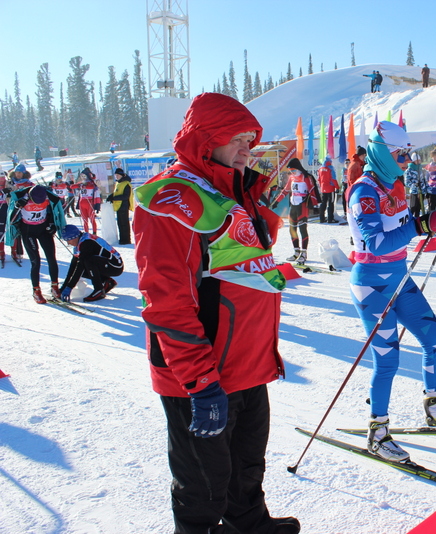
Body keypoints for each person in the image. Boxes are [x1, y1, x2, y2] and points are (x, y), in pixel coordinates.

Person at [133, 92, 300, 534]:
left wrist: (269, 217)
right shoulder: (173, 198)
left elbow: (244, 264)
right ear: (207, 140)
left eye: (250, 138)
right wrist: (200, 382)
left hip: (248, 362)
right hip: (203, 373)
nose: (247, 148)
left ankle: (250, 524)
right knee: (202, 487)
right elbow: (166, 300)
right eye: (237, 138)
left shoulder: (236, 190)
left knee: (247, 466)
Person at [347, 121, 436, 463]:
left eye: (409, 154)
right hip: (372, 284)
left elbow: (404, 226)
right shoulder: (364, 191)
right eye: (401, 155)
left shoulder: (395, 185)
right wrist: (421, 226)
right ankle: (378, 431)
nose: (406, 160)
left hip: (400, 277)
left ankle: (435, 408)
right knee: (388, 359)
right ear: (382, 154)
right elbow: (376, 242)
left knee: (435, 339)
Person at [5, 184, 66, 303]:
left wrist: (52, 225)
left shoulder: (48, 197)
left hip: (43, 230)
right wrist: (18, 207)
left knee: (51, 258)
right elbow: (11, 220)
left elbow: (53, 212)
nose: (38, 205)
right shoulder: (22, 198)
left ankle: (55, 286)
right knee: (35, 261)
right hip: (28, 232)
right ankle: (36, 291)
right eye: (35, 202)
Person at [270, 158, 320, 265]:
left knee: (302, 229)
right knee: (292, 230)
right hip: (293, 204)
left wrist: (315, 205)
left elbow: (312, 190)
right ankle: (296, 252)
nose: (292, 173)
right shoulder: (292, 177)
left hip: (302, 205)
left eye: (293, 170)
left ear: (298, 168)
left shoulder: (305, 177)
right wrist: (276, 202)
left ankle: (304, 253)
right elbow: (286, 190)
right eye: (290, 171)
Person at [59, 224, 123, 302]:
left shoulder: (87, 242)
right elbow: (73, 266)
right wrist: (64, 288)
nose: (68, 243)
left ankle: (99, 290)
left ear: (74, 237)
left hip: (115, 266)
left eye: (68, 240)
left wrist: (70, 287)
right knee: (83, 267)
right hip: (106, 264)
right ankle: (107, 282)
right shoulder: (79, 243)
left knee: (87, 261)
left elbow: (80, 267)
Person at [107, 167, 133, 245]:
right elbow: (117, 193)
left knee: (124, 224)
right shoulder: (118, 183)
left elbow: (125, 196)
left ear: (122, 175)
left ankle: (126, 239)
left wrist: (114, 198)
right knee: (120, 223)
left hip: (124, 206)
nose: (116, 176)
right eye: (116, 175)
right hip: (118, 206)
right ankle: (122, 238)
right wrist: (111, 196)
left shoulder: (126, 184)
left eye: (118, 175)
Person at [74, 168, 101, 234]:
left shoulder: (91, 182)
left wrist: (84, 186)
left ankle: (94, 232)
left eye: (84, 176)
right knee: (85, 220)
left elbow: (92, 187)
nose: (83, 178)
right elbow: (72, 186)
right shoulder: (81, 183)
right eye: (82, 176)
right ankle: (86, 233)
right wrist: (79, 185)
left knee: (92, 219)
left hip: (89, 202)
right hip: (82, 202)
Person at [404, 152, 428, 218]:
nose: (418, 162)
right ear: (413, 161)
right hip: (414, 192)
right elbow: (407, 182)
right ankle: (410, 219)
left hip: (422, 191)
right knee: (413, 207)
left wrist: (426, 188)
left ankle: (417, 219)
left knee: (419, 207)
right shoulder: (409, 170)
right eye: (417, 160)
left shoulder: (422, 169)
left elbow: (425, 180)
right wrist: (415, 184)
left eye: (419, 160)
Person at [317, 157, 338, 223]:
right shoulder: (330, 168)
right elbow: (333, 179)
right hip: (330, 188)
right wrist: (337, 187)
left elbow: (319, 179)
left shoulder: (320, 169)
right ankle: (330, 218)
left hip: (323, 188)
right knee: (330, 203)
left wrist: (321, 187)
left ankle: (322, 218)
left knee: (323, 203)